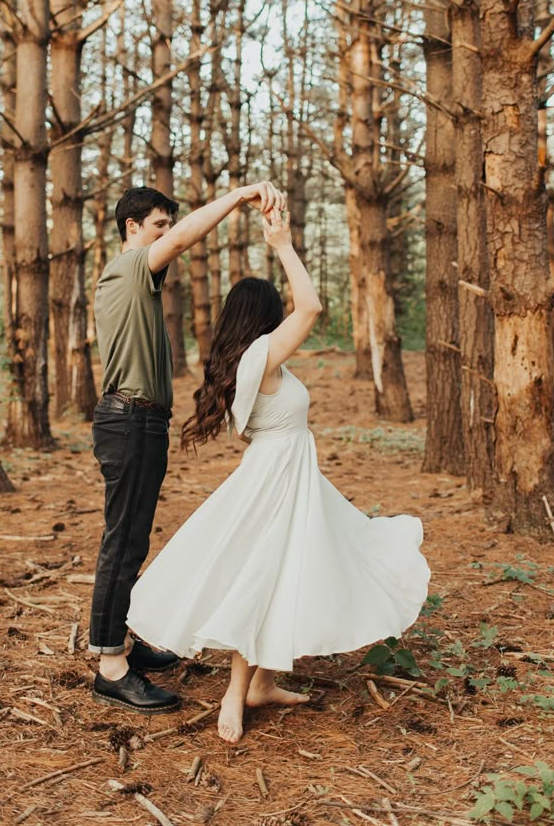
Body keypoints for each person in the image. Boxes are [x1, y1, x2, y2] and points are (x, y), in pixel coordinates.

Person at [128, 208, 430, 742]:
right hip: (276, 478)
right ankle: (233, 693)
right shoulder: (263, 355)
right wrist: (284, 244)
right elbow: (312, 304)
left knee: (294, 569)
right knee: (262, 576)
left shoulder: (256, 358)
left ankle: (262, 683)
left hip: (288, 471)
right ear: (266, 317)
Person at [90, 182, 285, 713]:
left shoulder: (140, 282)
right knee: (122, 542)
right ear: (133, 228)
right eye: (157, 226)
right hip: (128, 420)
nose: (166, 237)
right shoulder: (127, 266)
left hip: (142, 421)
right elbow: (181, 241)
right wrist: (241, 195)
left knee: (132, 541)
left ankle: (122, 643)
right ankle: (110, 665)